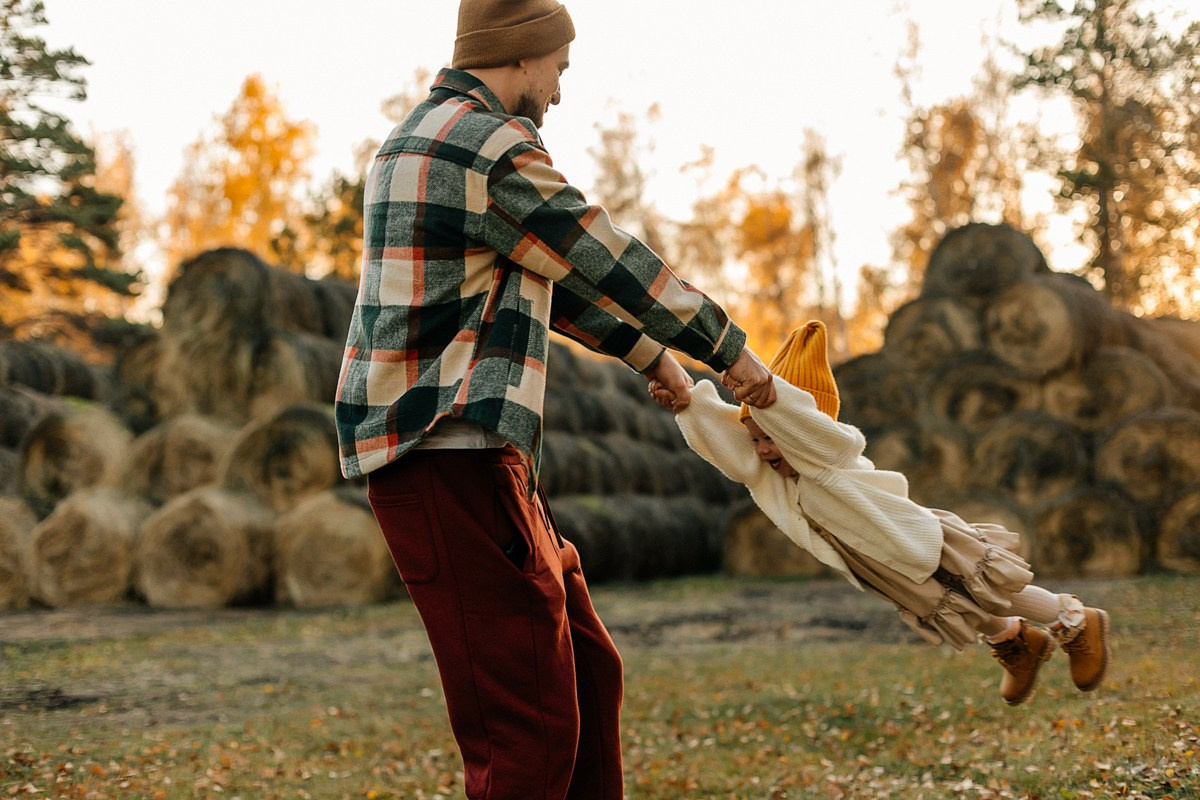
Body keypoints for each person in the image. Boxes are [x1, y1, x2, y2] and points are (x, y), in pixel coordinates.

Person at [333, 1, 775, 797]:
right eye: (559, 71)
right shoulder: (484, 145)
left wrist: (652, 355)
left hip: (476, 459)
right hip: (449, 459)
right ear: (523, 55)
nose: (559, 94)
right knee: (528, 732)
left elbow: (544, 276)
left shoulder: (426, 136)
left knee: (589, 672)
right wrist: (727, 349)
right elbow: (599, 253)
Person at [655, 321, 1111, 707]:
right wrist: (689, 401)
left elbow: (800, 423)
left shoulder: (825, 454)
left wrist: (771, 396)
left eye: (770, 437)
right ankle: (1016, 641)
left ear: (797, 426)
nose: (762, 449)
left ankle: (1071, 619)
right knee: (947, 602)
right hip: (879, 563)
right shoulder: (773, 478)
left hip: (914, 539)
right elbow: (732, 446)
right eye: (756, 439)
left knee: (977, 587)